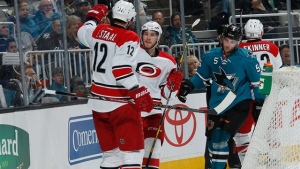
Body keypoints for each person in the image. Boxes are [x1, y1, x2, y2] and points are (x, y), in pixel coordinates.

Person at [77, 2, 153, 169]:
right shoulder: (129, 36)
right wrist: (137, 90)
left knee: (111, 156)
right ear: (130, 18)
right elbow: (121, 69)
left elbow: (81, 32)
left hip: (98, 104)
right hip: (120, 104)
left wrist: (92, 18)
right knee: (132, 154)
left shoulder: (97, 30)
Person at [178, 24, 261, 169]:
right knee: (212, 141)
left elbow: (256, 83)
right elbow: (201, 78)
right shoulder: (210, 56)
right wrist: (190, 85)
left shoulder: (247, 58)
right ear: (222, 38)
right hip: (217, 105)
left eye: (233, 42)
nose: (228, 44)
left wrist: (259, 104)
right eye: (227, 40)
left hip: (238, 103)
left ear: (238, 42)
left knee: (221, 137)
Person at [136, 21, 183, 169]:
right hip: (132, 110)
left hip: (154, 112)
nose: (148, 38)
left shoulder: (168, 62)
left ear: (159, 38)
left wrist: (172, 85)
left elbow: (168, 96)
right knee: (131, 155)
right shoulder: (132, 54)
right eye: (145, 34)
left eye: (152, 35)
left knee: (153, 152)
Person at [236, 19, 282, 163]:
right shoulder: (273, 47)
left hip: (246, 96)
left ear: (245, 32)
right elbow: (278, 71)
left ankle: (246, 163)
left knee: (242, 133)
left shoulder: (239, 48)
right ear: (261, 32)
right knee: (271, 131)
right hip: (268, 94)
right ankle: (276, 162)